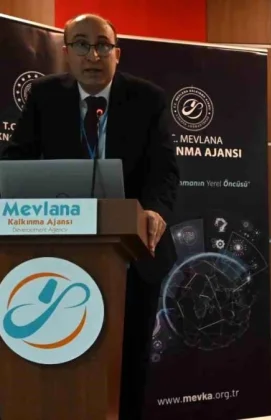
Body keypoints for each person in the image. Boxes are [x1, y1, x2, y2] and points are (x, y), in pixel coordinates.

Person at [1, 14, 179, 420]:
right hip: (58, 251)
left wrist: (154, 211)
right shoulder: (45, 96)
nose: (92, 55)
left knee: (128, 361)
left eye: (102, 45)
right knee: (59, 357)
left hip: (133, 253)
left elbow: (164, 171)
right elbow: (16, 158)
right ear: (66, 52)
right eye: (81, 44)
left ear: (118, 53)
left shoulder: (147, 99)